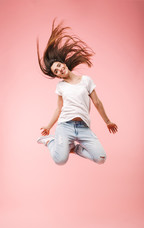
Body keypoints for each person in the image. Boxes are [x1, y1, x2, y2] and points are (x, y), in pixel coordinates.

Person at [36, 19, 118, 165]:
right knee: (60, 160)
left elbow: (97, 102)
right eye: (56, 71)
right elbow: (58, 109)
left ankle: (76, 148)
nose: (60, 70)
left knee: (101, 158)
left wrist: (108, 121)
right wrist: (48, 127)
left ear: (64, 63)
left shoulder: (86, 80)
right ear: (58, 76)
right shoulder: (61, 87)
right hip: (65, 126)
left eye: (59, 66)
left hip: (83, 127)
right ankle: (50, 141)